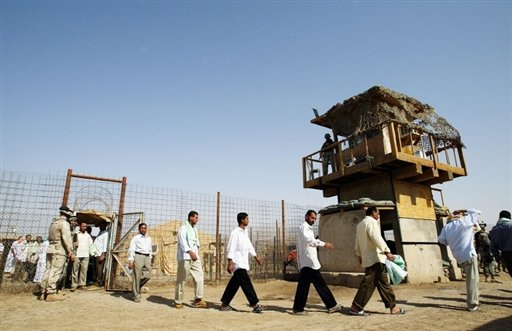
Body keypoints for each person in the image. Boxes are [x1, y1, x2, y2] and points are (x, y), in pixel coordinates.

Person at [350, 206, 405, 316]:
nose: (378, 215)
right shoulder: (371, 222)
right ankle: (356, 307)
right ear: (373, 213)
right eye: (378, 213)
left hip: (370, 258)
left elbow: (357, 242)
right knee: (368, 284)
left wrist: (359, 255)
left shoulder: (360, 225)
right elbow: (376, 237)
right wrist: (387, 251)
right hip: (375, 258)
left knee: (384, 284)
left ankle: (393, 306)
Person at [292, 210, 341, 315]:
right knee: (318, 284)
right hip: (309, 262)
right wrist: (323, 244)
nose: (313, 220)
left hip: (309, 262)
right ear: (306, 217)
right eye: (312, 218)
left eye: (315, 219)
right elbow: (309, 240)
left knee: (306, 286)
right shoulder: (305, 227)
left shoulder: (307, 228)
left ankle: (298, 308)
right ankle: (331, 305)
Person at [219, 212, 266, 313]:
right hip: (237, 263)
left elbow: (249, 245)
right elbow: (231, 247)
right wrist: (230, 262)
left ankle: (224, 304)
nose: (248, 220)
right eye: (247, 219)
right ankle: (254, 304)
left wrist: (255, 256)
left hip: (243, 262)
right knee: (246, 283)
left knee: (234, 284)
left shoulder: (245, 232)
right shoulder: (235, 233)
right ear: (242, 220)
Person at [438, 208, 482, 311]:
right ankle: (472, 303)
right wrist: (464, 209)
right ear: (461, 215)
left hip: (459, 257)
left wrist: (454, 240)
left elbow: (442, 240)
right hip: (469, 255)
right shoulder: (464, 222)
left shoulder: (447, 227)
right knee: (472, 280)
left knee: (472, 279)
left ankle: (474, 297)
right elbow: (477, 212)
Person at [40, 206, 76, 302]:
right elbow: (66, 238)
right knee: (55, 271)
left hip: (51, 248)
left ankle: (43, 292)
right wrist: (70, 251)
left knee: (47, 270)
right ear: (68, 214)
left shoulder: (53, 222)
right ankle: (50, 293)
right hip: (59, 250)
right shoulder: (64, 224)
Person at [174, 211, 207, 308]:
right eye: (196, 217)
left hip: (195, 257)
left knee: (199, 276)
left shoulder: (194, 229)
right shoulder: (183, 228)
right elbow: (183, 242)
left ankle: (198, 299)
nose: (197, 219)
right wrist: (190, 252)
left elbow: (196, 243)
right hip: (185, 257)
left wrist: (195, 254)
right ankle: (178, 302)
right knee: (181, 279)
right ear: (190, 217)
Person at [127, 223, 152, 303]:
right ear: (139, 229)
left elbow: (150, 248)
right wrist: (131, 260)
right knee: (137, 276)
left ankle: (136, 287)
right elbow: (132, 249)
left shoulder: (149, 238)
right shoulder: (136, 238)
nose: (143, 229)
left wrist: (150, 258)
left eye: (145, 228)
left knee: (148, 275)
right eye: (142, 228)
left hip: (147, 257)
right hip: (138, 256)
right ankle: (135, 296)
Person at [71, 221, 93, 291]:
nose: (84, 228)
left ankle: (82, 284)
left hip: (85, 255)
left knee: (84, 270)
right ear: (80, 226)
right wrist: (73, 254)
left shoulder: (88, 235)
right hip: (77, 254)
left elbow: (91, 245)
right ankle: (74, 285)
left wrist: (91, 253)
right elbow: (74, 245)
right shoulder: (76, 234)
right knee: (75, 270)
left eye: (85, 226)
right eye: (83, 226)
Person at [490, 210, 512, 278]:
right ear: (509, 217)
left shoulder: (495, 229)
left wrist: (497, 257)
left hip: (506, 255)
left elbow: (493, 245)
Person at [93, 221, 109, 287]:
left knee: (99, 269)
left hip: (100, 254)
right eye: (100, 225)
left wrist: (103, 254)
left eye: (102, 225)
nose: (100, 226)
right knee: (96, 269)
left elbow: (105, 244)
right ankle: (97, 281)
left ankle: (99, 282)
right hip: (96, 253)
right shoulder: (100, 232)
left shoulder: (105, 233)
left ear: (105, 225)